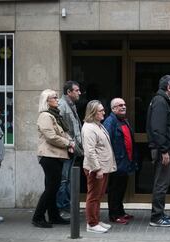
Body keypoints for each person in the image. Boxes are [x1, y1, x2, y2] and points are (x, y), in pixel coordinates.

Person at [33, 89, 74, 228]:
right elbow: (51, 137)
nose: (57, 99)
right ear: (46, 101)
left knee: (52, 188)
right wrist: (68, 143)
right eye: (54, 97)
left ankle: (54, 216)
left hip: (55, 155)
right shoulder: (45, 116)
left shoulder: (55, 115)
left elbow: (63, 132)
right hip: (49, 156)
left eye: (56, 97)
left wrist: (70, 142)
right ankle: (38, 217)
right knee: (51, 188)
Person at [146, 75, 170, 227]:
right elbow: (158, 129)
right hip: (163, 150)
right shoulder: (160, 102)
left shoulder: (162, 101)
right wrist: (164, 150)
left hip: (163, 148)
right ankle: (156, 217)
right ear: (169, 87)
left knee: (162, 183)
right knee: (161, 183)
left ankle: (160, 213)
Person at [82, 100, 117, 233]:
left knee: (98, 195)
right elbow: (90, 151)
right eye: (100, 111)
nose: (104, 112)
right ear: (93, 112)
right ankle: (91, 223)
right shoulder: (89, 128)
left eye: (103, 109)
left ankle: (96, 220)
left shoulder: (98, 125)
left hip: (102, 167)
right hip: (96, 169)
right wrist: (97, 169)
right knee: (93, 196)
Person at [103, 98, 137, 224]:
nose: (123, 107)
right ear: (113, 109)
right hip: (116, 162)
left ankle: (120, 211)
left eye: (124, 105)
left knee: (121, 188)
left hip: (126, 161)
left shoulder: (124, 121)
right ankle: (114, 215)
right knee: (114, 189)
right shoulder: (110, 122)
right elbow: (107, 144)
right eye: (119, 105)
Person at [56, 81, 83, 219]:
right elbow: (59, 129)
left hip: (73, 148)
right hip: (66, 148)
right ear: (69, 92)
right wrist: (69, 143)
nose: (79, 93)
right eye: (77, 90)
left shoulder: (71, 105)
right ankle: (62, 208)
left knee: (68, 179)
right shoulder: (62, 105)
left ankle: (67, 206)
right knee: (64, 179)